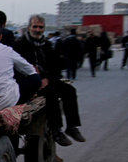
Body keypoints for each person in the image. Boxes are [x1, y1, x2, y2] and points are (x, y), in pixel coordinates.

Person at [14, 15, 86, 147]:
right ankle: (56, 130)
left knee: (69, 90)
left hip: (47, 79)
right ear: (29, 28)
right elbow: (17, 68)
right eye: (35, 26)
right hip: (28, 82)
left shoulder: (46, 45)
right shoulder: (19, 45)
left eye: (40, 27)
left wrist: (47, 78)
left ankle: (72, 127)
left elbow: (55, 67)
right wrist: (37, 79)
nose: (37, 30)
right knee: (51, 95)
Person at [0, 21, 40, 112]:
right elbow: (31, 71)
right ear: (0, 37)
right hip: (5, 102)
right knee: (35, 79)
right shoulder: (8, 51)